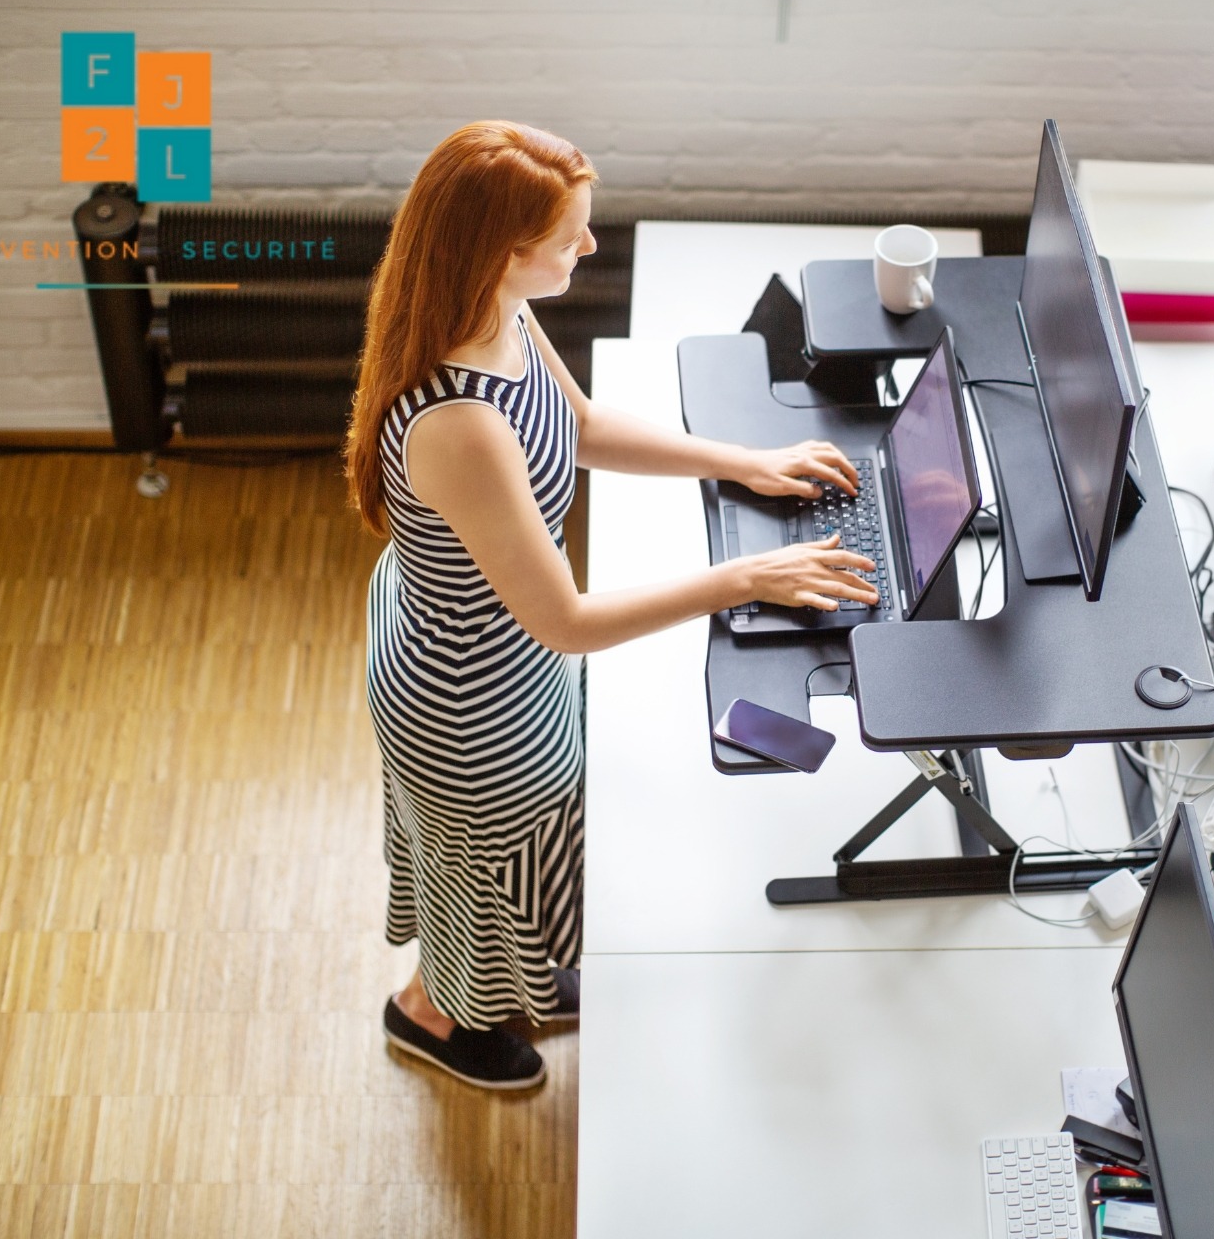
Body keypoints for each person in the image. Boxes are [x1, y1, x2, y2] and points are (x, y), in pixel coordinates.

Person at [343, 121, 879, 1088]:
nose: (588, 248)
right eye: (570, 237)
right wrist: (748, 577)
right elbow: (569, 622)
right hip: (468, 694)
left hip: (491, 643)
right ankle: (432, 1014)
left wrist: (744, 460)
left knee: (526, 850)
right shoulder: (459, 424)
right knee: (488, 867)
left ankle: (513, 975)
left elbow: (581, 428)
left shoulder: (496, 310)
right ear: (506, 252)